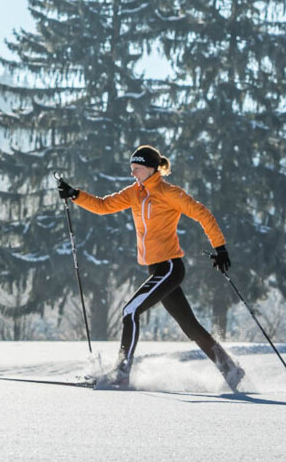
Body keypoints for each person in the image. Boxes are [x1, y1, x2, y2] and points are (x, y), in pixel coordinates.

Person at [57, 145, 245, 391]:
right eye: (132, 169)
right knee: (189, 325)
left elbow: (202, 213)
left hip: (169, 267)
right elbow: (103, 206)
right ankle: (230, 369)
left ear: (150, 169)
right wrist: (75, 194)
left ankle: (122, 372)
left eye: (137, 169)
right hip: (155, 269)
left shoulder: (169, 193)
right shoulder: (134, 193)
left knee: (130, 311)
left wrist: (220, 249)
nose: (133, 174)